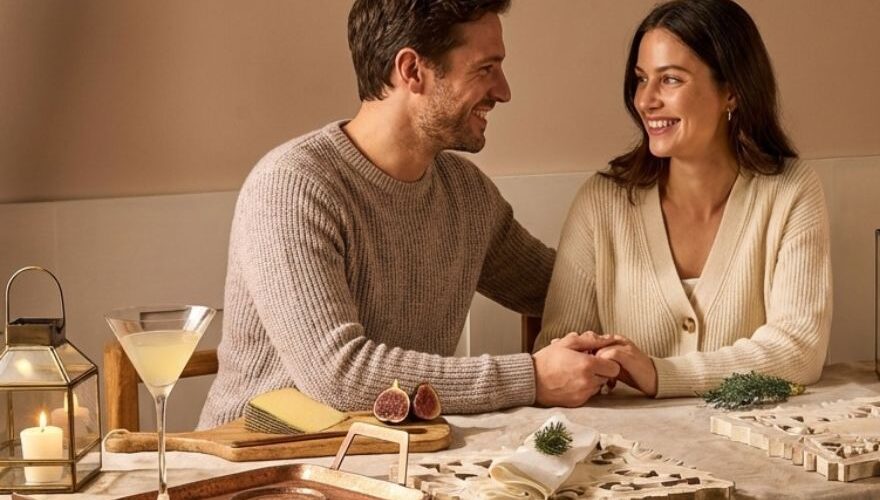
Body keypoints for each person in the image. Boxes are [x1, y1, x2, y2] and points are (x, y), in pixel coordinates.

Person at [199, 0, 622, 428]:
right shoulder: (292, 186)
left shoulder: (467, 193)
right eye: (485, 69)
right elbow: (340, 376)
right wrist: (531, 378)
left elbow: (562, 288)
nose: (503, 91)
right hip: (258, 458)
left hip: (393, 454)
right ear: (412, 70)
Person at [535, 0, 832, 399]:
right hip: (625, 439)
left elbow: (799, 350)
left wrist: (663, 374)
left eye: (670, 79)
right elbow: (559, 354)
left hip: (754, 437)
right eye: (641, 79)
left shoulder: (791, 191)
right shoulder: (601, 203)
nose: (646, 100)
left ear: (732, 91)